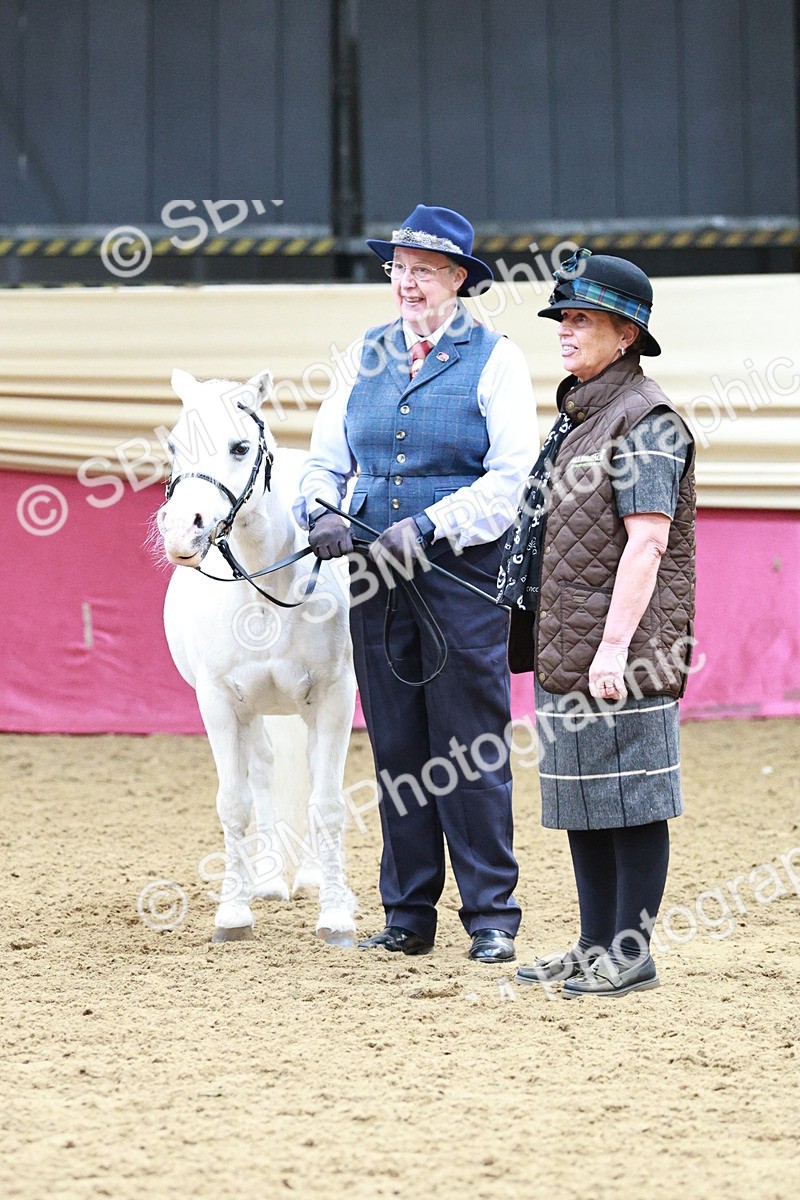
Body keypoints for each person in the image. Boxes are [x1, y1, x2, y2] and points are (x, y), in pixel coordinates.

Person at [295, 204, 538, 962]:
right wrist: (318, 512)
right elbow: (323, 462)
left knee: (469, 747)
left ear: (459, 279)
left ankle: (491, 914)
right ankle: (407, 914)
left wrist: (432, 525)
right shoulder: (360, 356)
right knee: (396, 744)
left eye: (423, 270)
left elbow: (512, 480)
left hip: (461, 579)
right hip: (375, 576)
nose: (406, 283)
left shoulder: (496, 359)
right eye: (398, 268)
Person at [504, 249, 695, 996]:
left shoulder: (646, 420)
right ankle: (593, 946)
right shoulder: (580, 416)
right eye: (563, 318)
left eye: (581, 319)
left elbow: (647, 541)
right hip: (570, 645)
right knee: (586, 797)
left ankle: (631, 951)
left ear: (626, 335)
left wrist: (614, 647)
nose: (565, 331)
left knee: (634, 797)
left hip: (624, 648)